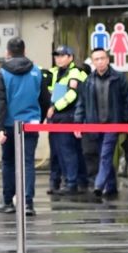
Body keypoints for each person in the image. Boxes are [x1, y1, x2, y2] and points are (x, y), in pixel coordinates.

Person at [0, 37, 50, 217]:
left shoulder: (2, 73)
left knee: (9, 162)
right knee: (27, 163)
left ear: (8, 52)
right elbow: (45, 99)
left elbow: (0, 102)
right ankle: (28, 203)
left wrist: (0, 128)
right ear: (25, 51)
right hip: (31, 124)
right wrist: (38, 120)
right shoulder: (37, 71)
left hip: (9, 125)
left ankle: (8, 201)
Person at [76, 48, 128, 200]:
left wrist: (126, 122)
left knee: (106, 154)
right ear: (93, 62)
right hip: (95, 124)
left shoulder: (119, 78)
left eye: (102, 58)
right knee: (102, 154)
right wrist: (78, 123)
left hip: (113, 124)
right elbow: (82, 104)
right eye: (96, 59)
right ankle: (111, 186)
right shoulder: (88, 81)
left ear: (108, 59)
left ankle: (99, 185)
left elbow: (127, 101)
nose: (100, 61)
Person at [46, 45, 88, 197]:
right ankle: (58, 181)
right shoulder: (54, 72)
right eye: (57, 55)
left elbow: (72, 95)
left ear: (70, 57)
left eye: (62, 55)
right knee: (56, 152)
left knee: (67, 151)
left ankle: (71, 183)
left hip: (68, 115)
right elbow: (48, 91)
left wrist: (55, 107)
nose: (59, 58)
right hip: (55, 117)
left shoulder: (75, 72)